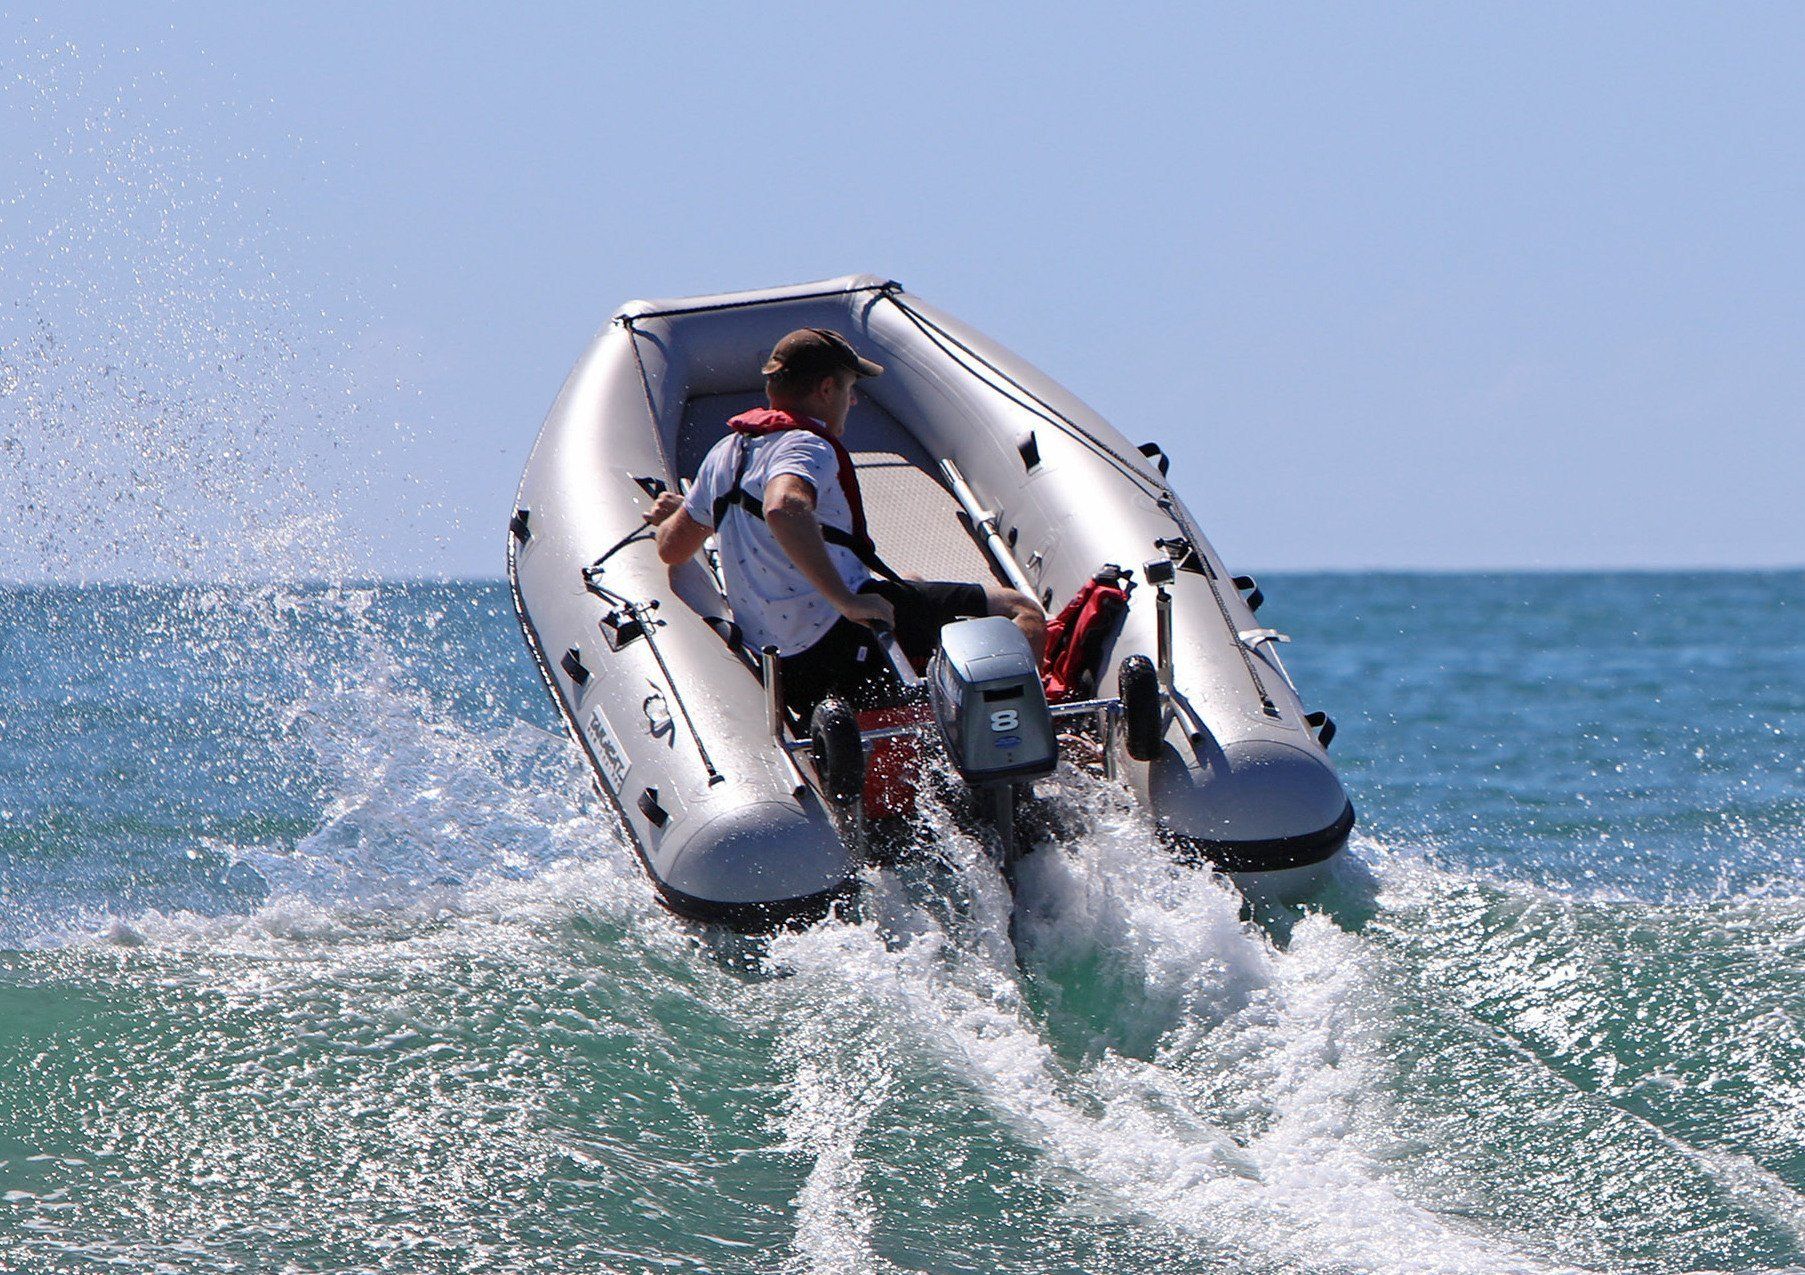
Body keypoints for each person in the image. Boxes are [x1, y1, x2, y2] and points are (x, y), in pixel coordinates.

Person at [648, 327, 1045, 723]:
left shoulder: (724, 454)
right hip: (842, 639)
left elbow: (671, 549)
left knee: (906, 580)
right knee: (1020, 610)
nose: (853, 401)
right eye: (848, 388)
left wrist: (674, 516)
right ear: (825, 390)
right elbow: (783, 506)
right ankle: (1029, 727)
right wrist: (846, 602)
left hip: (785, 664)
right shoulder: (806, 444)